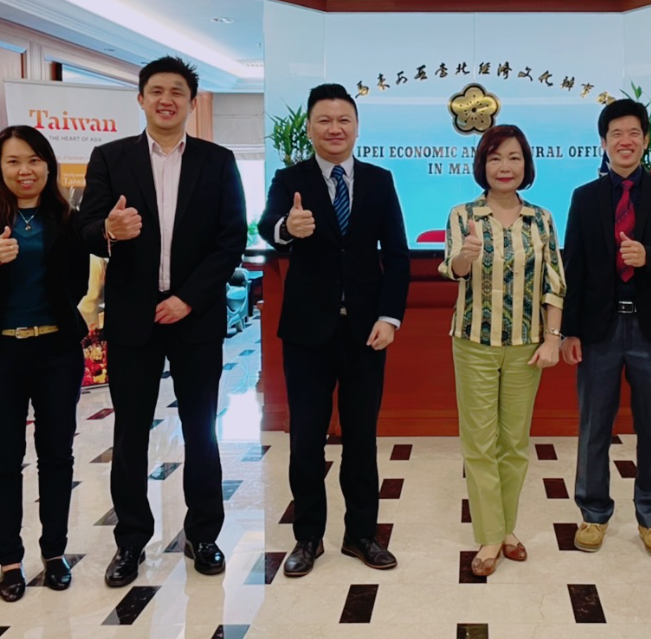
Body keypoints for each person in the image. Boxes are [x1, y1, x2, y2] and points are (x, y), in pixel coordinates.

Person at [78, 56, 247, 586]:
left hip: (192, 317)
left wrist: (188, 299)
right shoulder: (109, 158)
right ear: (141, 99)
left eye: (178, 91)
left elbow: (231, 239)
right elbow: (85, 230)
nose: (167, 99)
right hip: (132, 317)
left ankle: (204, 536)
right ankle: (130, 542)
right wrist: (109, 228)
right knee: (130, 433)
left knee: (202, 429)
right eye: (157, 90)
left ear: (191, 103)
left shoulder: (218, 161)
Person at [258, 83, 410, 578]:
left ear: (357, 127)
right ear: (309, 127)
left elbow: (398, 256)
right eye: (324, 120)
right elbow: (267, 225)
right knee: (305, 439)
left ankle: (362, 534)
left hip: (367, 333)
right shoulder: (289, 178)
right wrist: (288, 228)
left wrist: (389, 318)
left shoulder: (380, 180)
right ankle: (308, 537)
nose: (335, 128)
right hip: (307, 332)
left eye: (344, 119)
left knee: (362, 436)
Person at [0, 126, 90, 601]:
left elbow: (77, 286)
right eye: (13, 162)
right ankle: (9, 561)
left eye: (33, 160)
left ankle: (54, 553)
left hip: (55, 353)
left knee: (56, 455)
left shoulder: (66, 218)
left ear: (48, 165)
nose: (24, 170)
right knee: (3, 458)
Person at [561, 99, 651, 558]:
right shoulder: (584, 197)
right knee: (594, 425)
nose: (625, 141)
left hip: (650, 330)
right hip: (598, 328)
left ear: (645, 140)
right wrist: (569, 331)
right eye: (616, 133)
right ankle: (593, 514)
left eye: (634, 132)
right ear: (603, 142)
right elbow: (572, 268)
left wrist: (649, 257)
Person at [439, 125, 566, 576]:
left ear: (526, 164)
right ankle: (491, 535)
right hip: (474, 342)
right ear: (482, 165)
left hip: (527, 345)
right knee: (479, 443)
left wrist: (553, 338)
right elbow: (452, 269)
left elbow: (554, 281)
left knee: (514, 443)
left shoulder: (542, 219)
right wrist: (466, 257)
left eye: (513, 157)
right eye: (495, 158)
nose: (505, 167)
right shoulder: (463, 215)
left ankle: (506, 526)